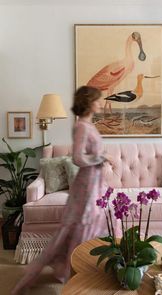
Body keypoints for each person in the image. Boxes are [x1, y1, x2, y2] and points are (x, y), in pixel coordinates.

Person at [12, 86, 114, 294]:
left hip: (95, 182)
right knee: (82, 225)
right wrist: (101, 158)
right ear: (88, 102)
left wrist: (102, 159)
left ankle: (87, 267)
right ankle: (76, 269)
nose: (101, 103)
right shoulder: (82, 127)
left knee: (98, 222)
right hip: (86, 185)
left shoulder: (88, 125)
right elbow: (77, 158)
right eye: (97, 100)